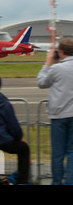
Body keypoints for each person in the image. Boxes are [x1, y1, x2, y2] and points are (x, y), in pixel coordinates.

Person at [37, 38, 73, 185]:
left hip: (58, 115)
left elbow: (41, 82)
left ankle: (57, 181)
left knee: (57, 154)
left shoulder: (56, 68)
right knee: (71, 152)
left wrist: (48, 63)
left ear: (61, 52)